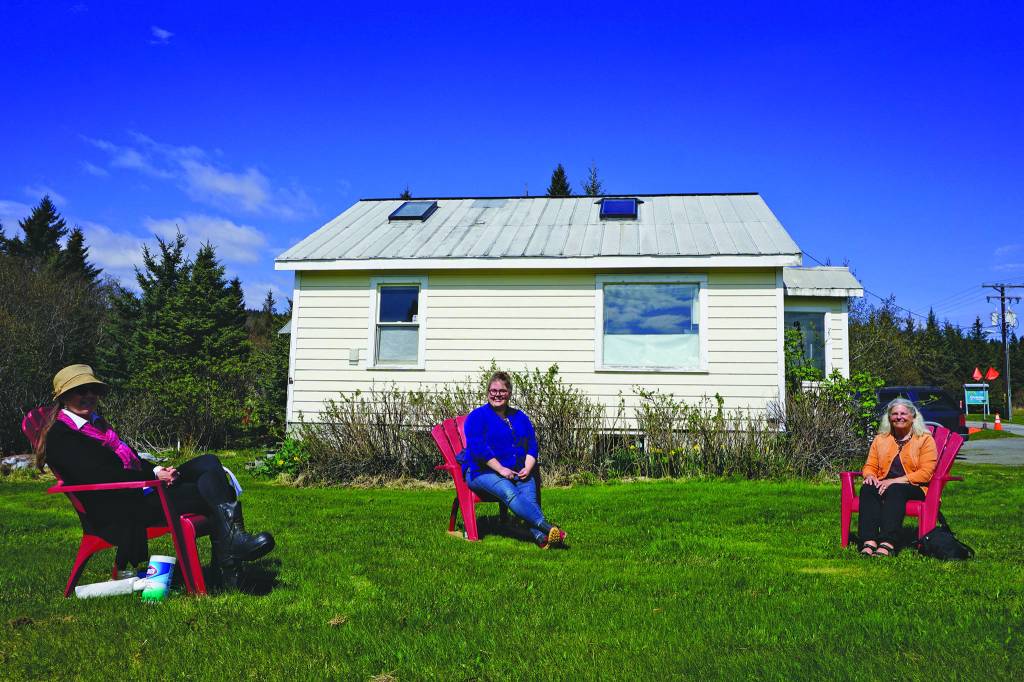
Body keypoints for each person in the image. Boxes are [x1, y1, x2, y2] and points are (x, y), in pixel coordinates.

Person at [34, 364, 275, 588]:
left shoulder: (97, 425)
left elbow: (131, 458)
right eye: (81, 391)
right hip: (121, 506)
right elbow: (99, 476)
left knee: (209, 462)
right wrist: (151, 481)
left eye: (93, 390)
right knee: (216, 490)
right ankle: (231, 565)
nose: (89, 395)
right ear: (64, 397)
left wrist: (158, 471)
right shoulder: (62, 436)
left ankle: (233, 549)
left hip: (141, 490)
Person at [462, 371, 566, 549]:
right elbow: (479, 450)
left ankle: (542, 538)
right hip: (482, 472)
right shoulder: (477, 417)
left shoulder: (520, 417)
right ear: (487, 392)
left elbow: (532, 445)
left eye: (502, 391)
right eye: (493, 391)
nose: (497, 395)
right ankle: (549, 528)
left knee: (530, 501)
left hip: (518, 470)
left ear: (509, 393)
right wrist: (501, 469)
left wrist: (528, 467)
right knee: (509, 492)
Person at [857, 397, 937, 557]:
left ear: (913, 416)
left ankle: (888, 542)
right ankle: (869, 540)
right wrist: (870, 475)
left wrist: (893, 481)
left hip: (914, 487)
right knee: (867, 488)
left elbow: (925, 473)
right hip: (884, 485)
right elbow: (870, 465)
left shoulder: (925, 440)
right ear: (889, 418)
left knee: (896, 489)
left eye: (903, 413)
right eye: (894, 414)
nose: (899, 417)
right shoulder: (881, 440)